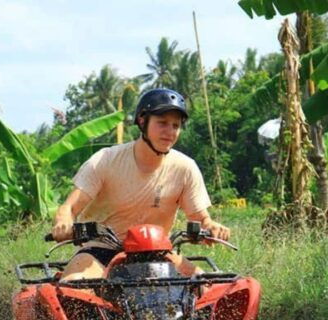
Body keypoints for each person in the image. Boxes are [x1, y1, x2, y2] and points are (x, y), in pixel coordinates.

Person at [51, 88, 230, 281]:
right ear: (142, 121)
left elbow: (200, 218)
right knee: (74, 286)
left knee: (203, 285)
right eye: (162, 123)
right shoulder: (106, 160)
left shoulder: (185, 168)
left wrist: (211, 227)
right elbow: (69, 208)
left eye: (175, 125)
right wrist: (63, 223)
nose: (170, 132)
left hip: (157, 253)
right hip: (101, 251)